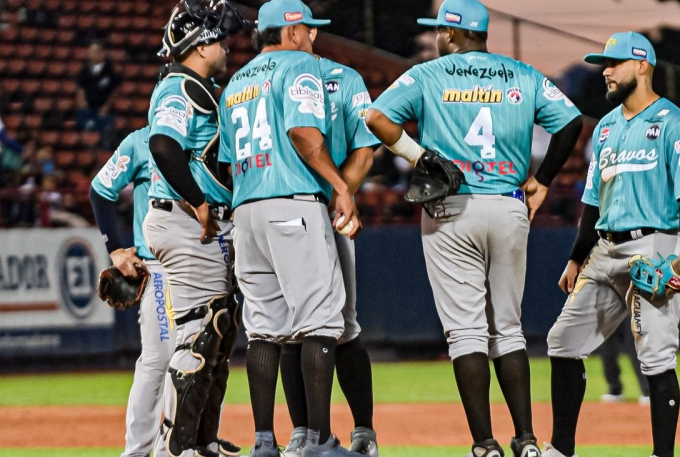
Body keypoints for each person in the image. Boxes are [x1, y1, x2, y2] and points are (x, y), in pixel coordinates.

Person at [366, 0, 583, 456]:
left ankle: (485, 445)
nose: (437, 37)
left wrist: (420, 157)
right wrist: (542, 181)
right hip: (507, 205)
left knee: (465, 332)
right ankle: (526, 440)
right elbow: (570, 122)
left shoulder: (428, 74)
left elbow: (375, 117)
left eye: (440, 31)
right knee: (508, 328)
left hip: (451, 206)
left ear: (450, 33)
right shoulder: (521, 73)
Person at [544, 32, 680, 457]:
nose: (607, 71)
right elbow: (593, 201)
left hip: (653, 247)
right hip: (603, 251)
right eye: (605, 64)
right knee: (561, 342)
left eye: (614, 62)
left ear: (642, 65)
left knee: (655, 358)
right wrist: (577, 257)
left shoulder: (674, 122)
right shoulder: (606, 128)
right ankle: (561, 449)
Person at [216, 1, 362, 456]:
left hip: (247, 209)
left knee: (263, 329)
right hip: (292, 202)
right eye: (307, 29)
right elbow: (303, 132)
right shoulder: (299, 64)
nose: (310, 37)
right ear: (293, 31)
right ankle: (318, 441)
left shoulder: (236, 82)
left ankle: (264, 442)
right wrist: (340, 185)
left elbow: (223, 162)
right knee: (320, 321)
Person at [279, 25, 381, 457]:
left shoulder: (346, 78)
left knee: (344, 325)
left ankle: (363, 431)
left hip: (324, 212)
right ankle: (303, 433)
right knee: (289, 329)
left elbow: (365, 146)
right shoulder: (266, 79)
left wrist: (344, 192)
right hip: (282, 212)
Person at [143, 8, 240, 457]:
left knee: (218, 333)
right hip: (185, 220)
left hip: (192, 221)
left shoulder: (196, 85)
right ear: (201, 46)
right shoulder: (182, 86)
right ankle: (173, 449)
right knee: (201, 334)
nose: (226, 48)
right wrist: (199, 202)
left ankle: (203, 444)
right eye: (219, 41)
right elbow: (163, 144)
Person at [89, 127, 176, 457]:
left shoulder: (210, 132)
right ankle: (138, 451)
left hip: (204, 265)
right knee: (158, 359)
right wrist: (115, 250)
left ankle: (183, 447)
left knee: (201, 358)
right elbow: (100, 189)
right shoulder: (142, 141)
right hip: (158, 266)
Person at [597, 323, 650, 405]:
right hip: (609, 311)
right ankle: (614, 389)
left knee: (635, 340)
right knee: (608, 342)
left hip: (629, 311)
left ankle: (647, 390)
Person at [76, 41, 119, 135]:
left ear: (102, 53)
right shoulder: (84, 71)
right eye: (90, 51)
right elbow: (80, 89)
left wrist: (106, 107)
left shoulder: (110, 71)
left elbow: (115, 91)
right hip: (88, 108)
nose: (92, 54)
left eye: (95, 51)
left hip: (104, 110)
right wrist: (82, 104)